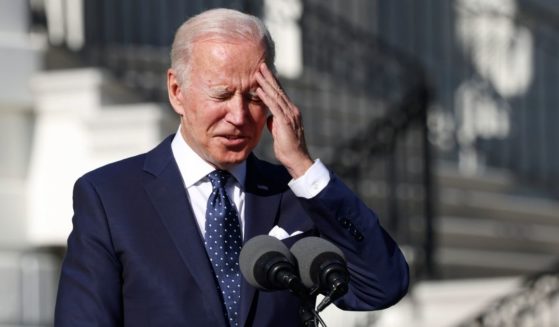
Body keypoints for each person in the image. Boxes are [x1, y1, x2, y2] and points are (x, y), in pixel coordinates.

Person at [54, 8, 409, 327]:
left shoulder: (294, 196)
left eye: (255, 97)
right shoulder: (111, 198)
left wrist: (302, 166)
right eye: (221, 95)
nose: (238, 117)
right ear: (177, 91)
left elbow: (382, 285)